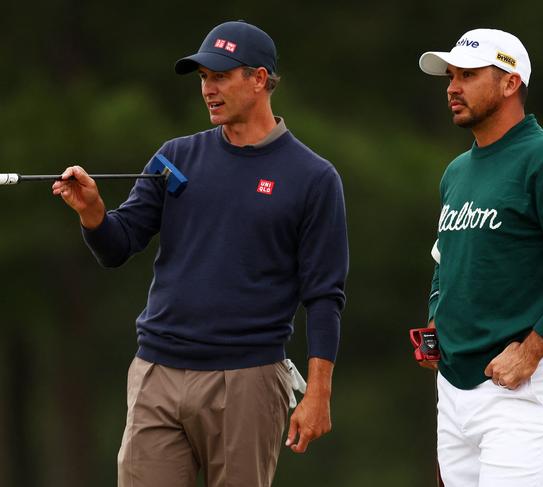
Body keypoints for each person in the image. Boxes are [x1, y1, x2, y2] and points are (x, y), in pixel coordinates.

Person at [52, 20, 349, 487]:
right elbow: (118, 244)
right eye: (203, 79)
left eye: (220, 76)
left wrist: (319, 393)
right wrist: (92, 212)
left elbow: (325, 295)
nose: (208, 89)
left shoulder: (313, 177)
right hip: (157, 370)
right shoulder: (175, 158)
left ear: (258, 78)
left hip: (248, 378)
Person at [417, 28, 543, 487]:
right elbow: (444, 263)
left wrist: (531, 351)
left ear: (510, 83)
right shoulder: (457, 172)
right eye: (450, 76)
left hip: (521, 383)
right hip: (454, 384)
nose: (452, 87)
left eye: (468, 75)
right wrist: (435, 321)